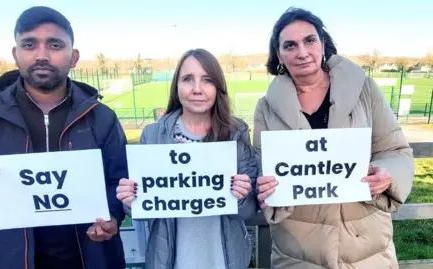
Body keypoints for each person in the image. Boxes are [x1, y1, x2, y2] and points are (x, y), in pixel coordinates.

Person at [0, 6, 128, 269]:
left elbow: (119, 182)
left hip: (91, 260)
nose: (42, 55)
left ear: (74, 56)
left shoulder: (102, 118)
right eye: (30, 44)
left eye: (55, 45)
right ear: (16, 54)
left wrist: (112, 216)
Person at [253, 7, 415, 269]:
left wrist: (388, 175)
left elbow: (396, 149)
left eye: (309, 40)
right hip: (298, 251)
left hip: (366, 248)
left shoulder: (364, 90)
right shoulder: (266, 107)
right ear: (279, 55)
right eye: (290, 45)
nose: (302, 52)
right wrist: (266, 190)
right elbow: (264, 167)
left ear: (323, 43)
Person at [115, 48, 258, 269]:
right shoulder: (153, 135)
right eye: (188, 79)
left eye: (207, 80)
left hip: (225, 260)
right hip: (170, 262)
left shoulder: (236, 134)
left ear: (218, 86)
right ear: (177, 86)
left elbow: (248, 211)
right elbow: (141, 211)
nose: (197, 89)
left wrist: (241, 195)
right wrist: (130, 199)